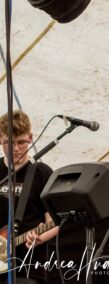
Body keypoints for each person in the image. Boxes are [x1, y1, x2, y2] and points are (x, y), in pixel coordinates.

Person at [0, 110, 59, 284]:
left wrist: (42, 236)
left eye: (21, 142)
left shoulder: (42, 173)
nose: (16, 149)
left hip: (30, 264)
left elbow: (54, 221)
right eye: (9, 143)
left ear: (31, 138)